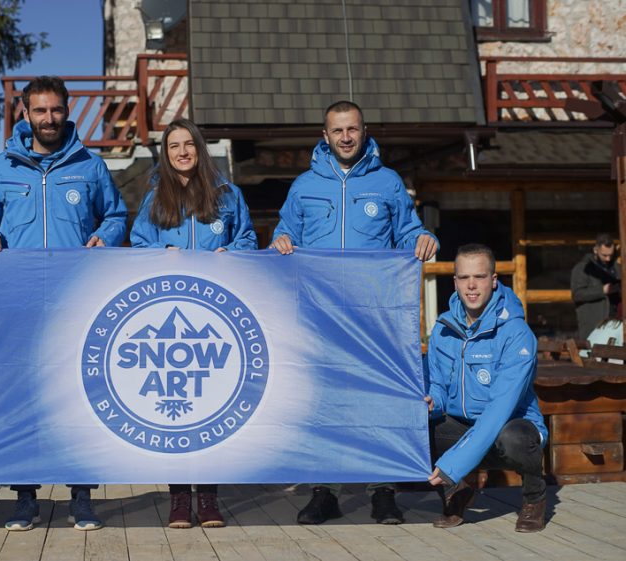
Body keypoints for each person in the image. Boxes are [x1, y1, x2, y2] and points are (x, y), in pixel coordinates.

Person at [0, 76, 128, 532]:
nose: (49, 118)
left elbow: (115, 214)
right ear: (25, 113)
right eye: (40, 110)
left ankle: (82, 497)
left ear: (67, 110)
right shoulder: (2, 166)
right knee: (23, 399)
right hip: (18, 303)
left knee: (79, 397)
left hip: (74, 302)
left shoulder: (90, 165)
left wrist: (106, 236)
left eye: (56, 110)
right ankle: (25, 499)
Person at [270, 100, 438, 526]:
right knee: (324, 401)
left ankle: (382, 491)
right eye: (338, 130)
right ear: (324, 136)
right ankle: (324, 491)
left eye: (353, 129)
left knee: (375, 400)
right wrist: (281, 240)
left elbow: (408, 230)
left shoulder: (388, 182)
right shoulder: (304, 186)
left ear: (364, 131)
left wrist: (424, 238)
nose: (346, 137)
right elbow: (285, 231)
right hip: (320, 316)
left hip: (373, 316)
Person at [130, 118, 257, 528]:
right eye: (174, 146)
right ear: (165, 155)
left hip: (215, 320)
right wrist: (160, 253)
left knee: (211, 406)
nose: (182, 152)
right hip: (170, 323)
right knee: (176, 413)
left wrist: (231, 253)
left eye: (188, 144)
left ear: (200, 149)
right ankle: (180, 498)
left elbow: (248, 239)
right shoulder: (154, 199)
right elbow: (138, 245)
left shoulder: (227, 194)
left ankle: (209, 497)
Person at [425, 244, 548, 532]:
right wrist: (433, 403)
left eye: (479, 277)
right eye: (464, 277)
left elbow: (499, 409)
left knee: (514, 438)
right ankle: (457, 492)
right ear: (455, 281)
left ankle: (534, 497)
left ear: (493, 280)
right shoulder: (442, 329)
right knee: (421, 427)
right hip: (463, 425)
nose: (471, 285)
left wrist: (453, 464)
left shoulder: (517, 334)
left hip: (509, 424)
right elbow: (439, 386)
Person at [571, 233, 621, 341]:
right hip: (593, 324)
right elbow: (577, 295)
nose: (608, 259)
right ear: (595, 250)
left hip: (615, 324)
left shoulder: (617, 268)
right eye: (604, 255)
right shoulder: (583, 269)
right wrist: (602, 290)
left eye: (610, 255)